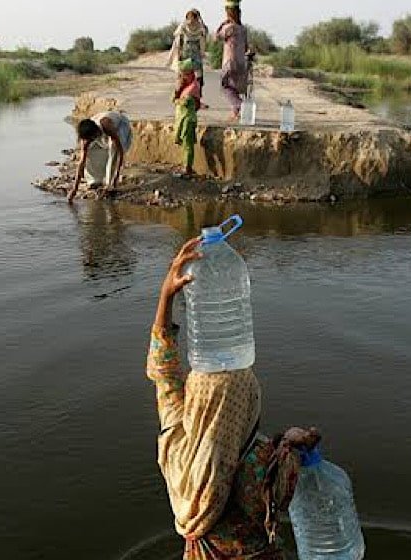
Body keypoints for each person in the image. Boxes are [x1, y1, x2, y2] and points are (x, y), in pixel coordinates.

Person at [147, 237, 320, 559]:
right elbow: (285, 488)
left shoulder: (177, 442)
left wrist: (166, 293)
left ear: (196, 401)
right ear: (249, 406)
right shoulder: (262, 461)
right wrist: (297, 441)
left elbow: (165, 374)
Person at [68, 111, 133, 204]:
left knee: (113, 148)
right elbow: (81, 162)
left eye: (93, 138)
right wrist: (74, 189)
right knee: (89, 151)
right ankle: (95, 180)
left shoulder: (106, 126)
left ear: (96, 132)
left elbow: (120, 152)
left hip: (121, 126)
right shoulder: (86, 139)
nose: (90, 140)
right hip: (103, 135)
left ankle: (109, 185)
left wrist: (116, 175)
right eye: (89, 139)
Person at [215, 2, 249, 122]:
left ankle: (240, 105)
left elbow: (216, 37)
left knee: (225, 87)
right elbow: (246, 47)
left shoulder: (229, 28)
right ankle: (235, 112)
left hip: (230, 62)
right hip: (240, 62)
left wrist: (223, 23)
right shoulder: (243, 29)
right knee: (234, 88)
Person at [173, 59, 202, 179]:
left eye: (184, 74)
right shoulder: (186, 86)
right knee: (185, 145)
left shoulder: (194, 86)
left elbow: (183, 102)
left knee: (188, 145)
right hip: (183, 119)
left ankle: (188, 169)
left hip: (188, 120)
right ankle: (185, 166)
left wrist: (177, 98)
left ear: (190, 74)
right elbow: (174, 99)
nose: (182, 77)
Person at [167, 9, 208, 91]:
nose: (191, 21)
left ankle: (190, 96)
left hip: (191, 57)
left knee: (191, 78)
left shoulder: (190, 27)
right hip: (190, 57)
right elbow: (177, 42)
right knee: (189, 79)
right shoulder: (193, 27)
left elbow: (177, 38)